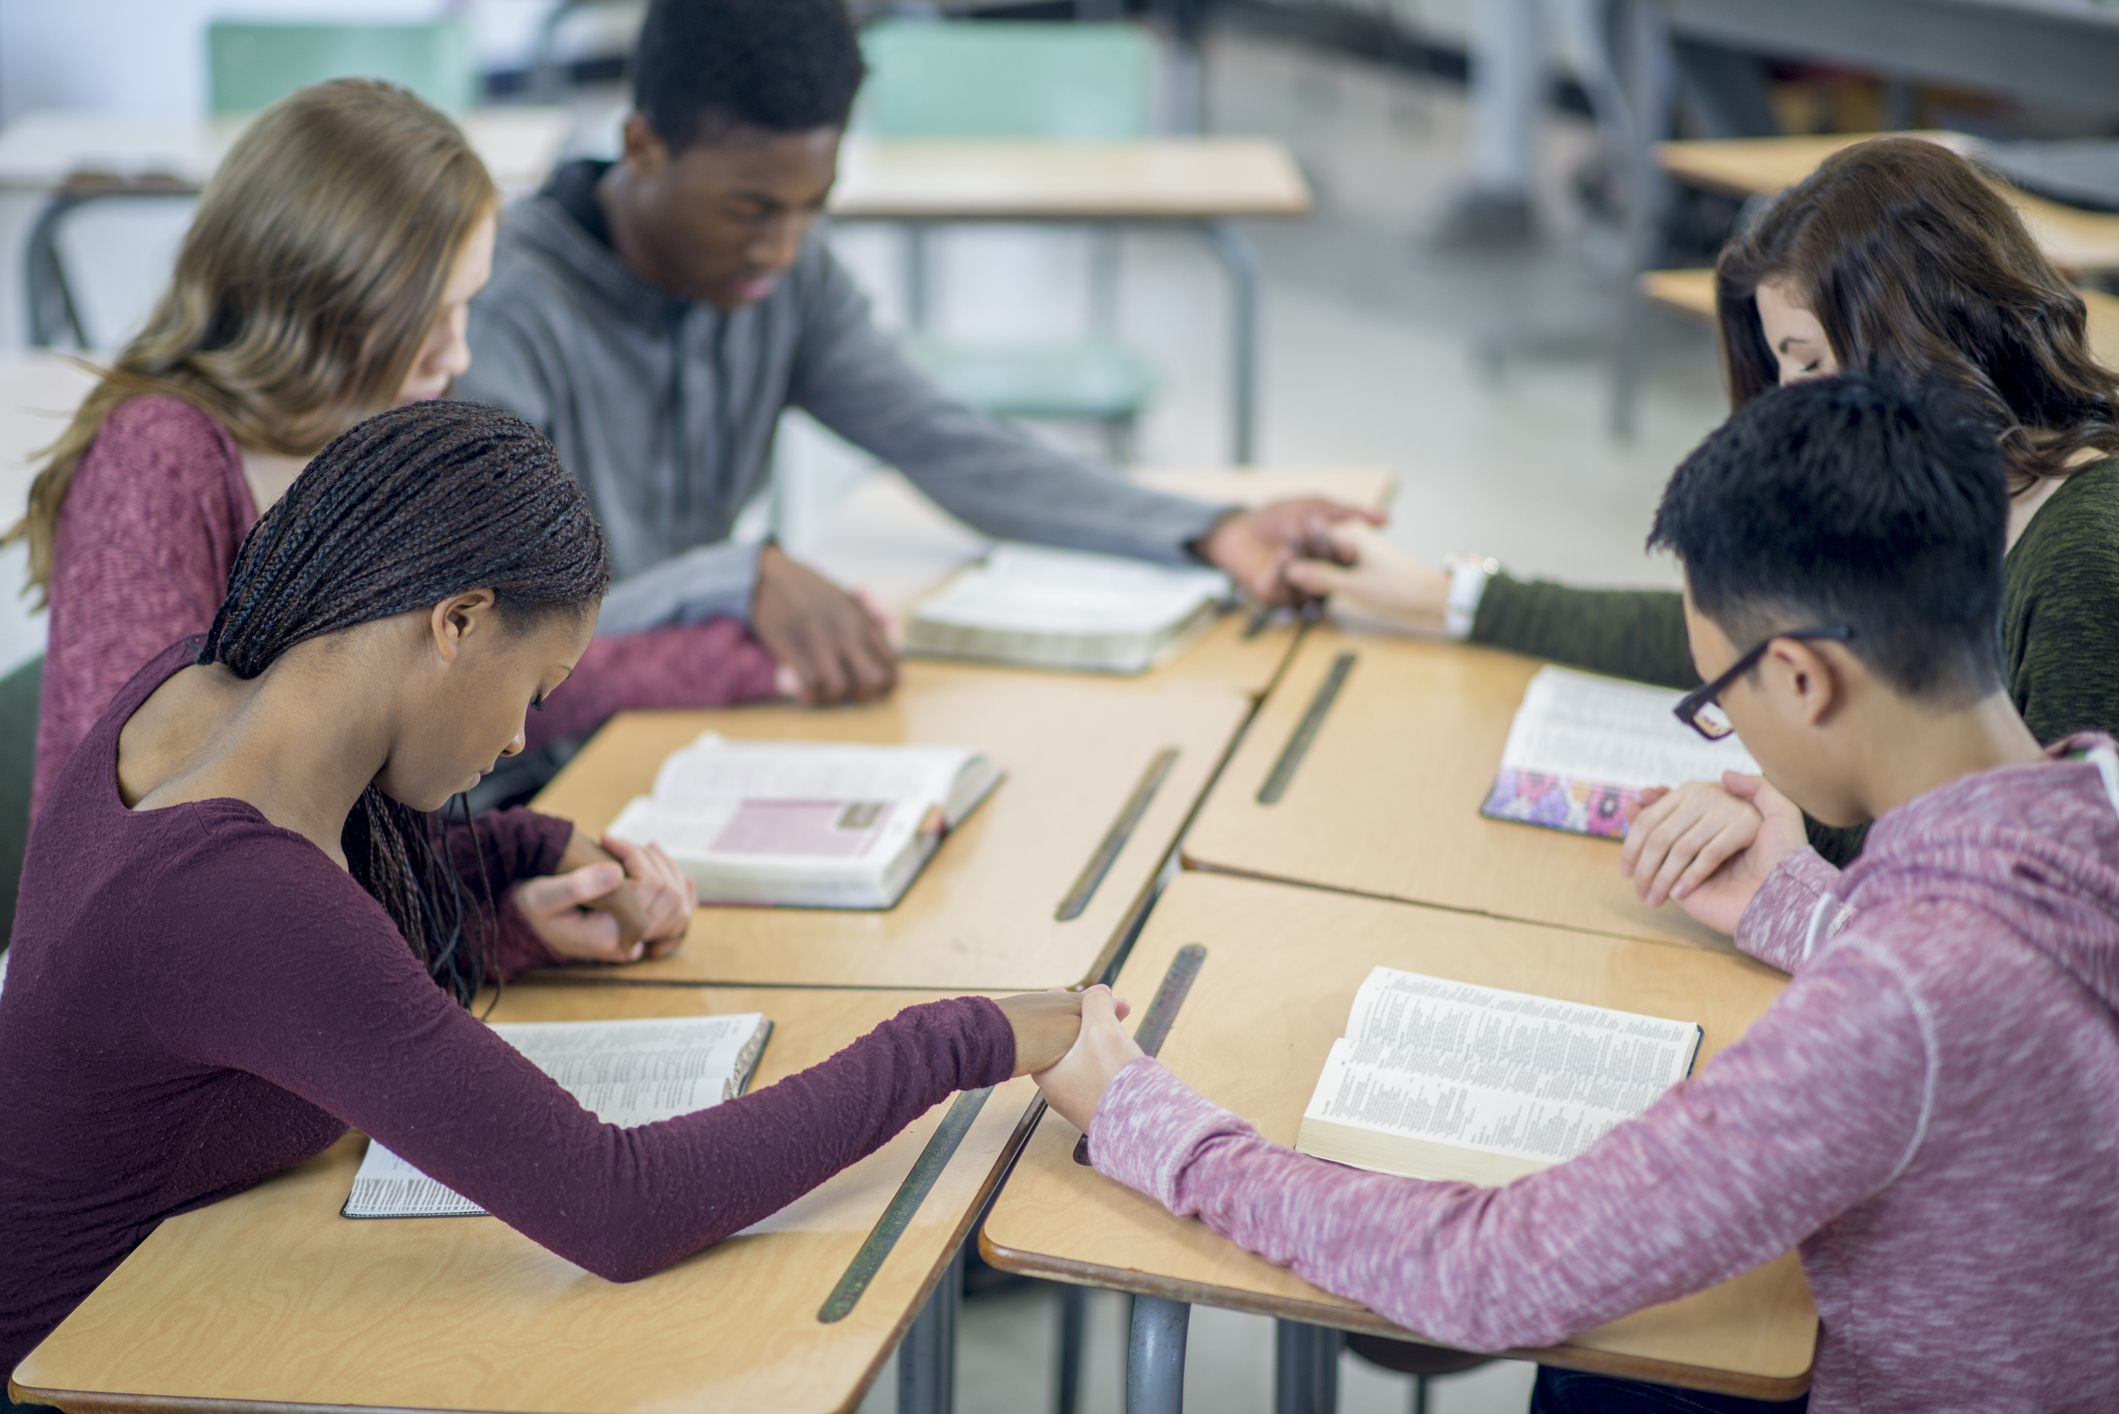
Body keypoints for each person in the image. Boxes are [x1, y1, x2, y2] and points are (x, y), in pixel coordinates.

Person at [1036, 377, 2119, 1413]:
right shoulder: (2093, 791)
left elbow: (1493, 1272)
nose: (1726, 728)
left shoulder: (1901, 999)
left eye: (1715, 697)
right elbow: (2011, 993)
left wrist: (1152, 1122)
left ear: (1799, 678)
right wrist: (1797, 906)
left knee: (1611, 1358)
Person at [0, 401, 1095, 1381]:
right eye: (535, 688)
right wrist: (963, 1038)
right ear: (457, 620)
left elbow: (311, 943)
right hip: (94, 1361)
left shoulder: (194, 689)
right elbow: (623, 1205)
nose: (522, 734)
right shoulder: (246, 905)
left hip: (183, 1302)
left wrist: (525, 855)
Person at [454, 0, 1378, 712]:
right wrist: (735, 577)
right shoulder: (498, 315)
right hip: (523, 762)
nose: (781, 247)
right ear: (641, 146)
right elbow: (496, 631)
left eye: (812, 205)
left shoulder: (783, 282)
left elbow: (951, 443)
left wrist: (1209, 529)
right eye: (749, 208)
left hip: (682, 716)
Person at [1288, 136, 2119, 883]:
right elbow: (1735, 635)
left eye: (1811, 360)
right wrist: (1448, 597)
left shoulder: (2080, 549)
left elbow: (2039, 883)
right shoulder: (1934, 496)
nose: (1790, 399)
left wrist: (1778, 823)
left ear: (1927, 333)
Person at [6, 77, 776, 820]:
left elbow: (473, 694)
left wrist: (514, 894)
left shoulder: (373, 461)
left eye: (467, 307)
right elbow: (149, 813)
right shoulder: (157, 457)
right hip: (195, 938)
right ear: (321, 292)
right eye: (429, 314)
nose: (456, 354)